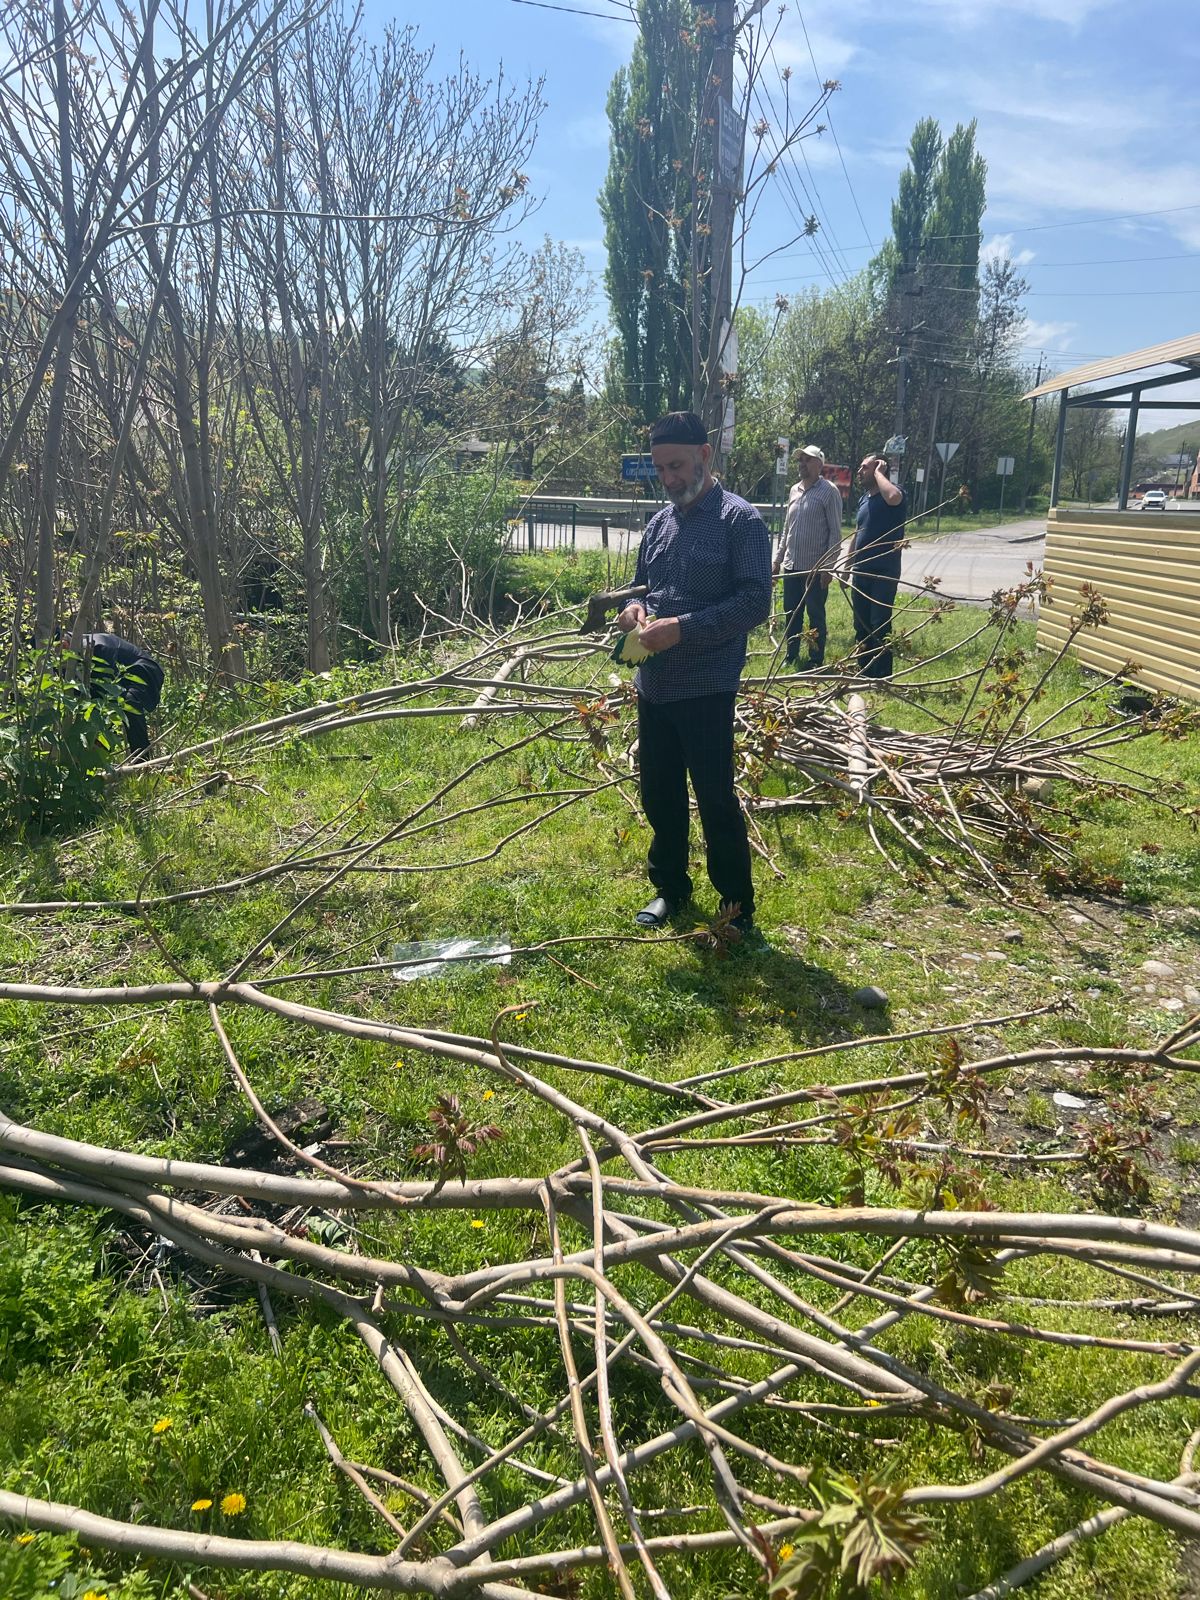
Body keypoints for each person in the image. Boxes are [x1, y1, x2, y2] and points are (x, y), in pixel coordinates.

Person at [616, 411, 771, 932]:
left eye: (677, 466)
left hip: (706, 686)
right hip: (654, 684)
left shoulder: (740, 521)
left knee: (714, 797)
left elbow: (754, 602)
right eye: (660, 469)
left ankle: (735, 907)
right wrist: (633, 613)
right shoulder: (659, 523)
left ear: (705, 456)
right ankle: (671, 890)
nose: (669, 479)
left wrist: (682, 628)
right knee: (659, 793)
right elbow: (643, 587)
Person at [772, 444, 843, 669]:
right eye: (800, 460)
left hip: (815, 568)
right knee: (792, 614)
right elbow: (786, 529)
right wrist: (777, 560)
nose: (802, 464)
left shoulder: (829, 491)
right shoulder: (794, 490)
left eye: (807, 460)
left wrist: (828, 566)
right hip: (792, 566)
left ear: (819, 464)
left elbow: (835, 532)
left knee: (815, 615)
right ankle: (791, 654)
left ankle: (815, 659)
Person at [849, 454, 905, 680]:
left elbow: (893, 497)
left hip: (884, 571)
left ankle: (881, 674)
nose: (859, 472)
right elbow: (858, 531)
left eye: (865, 467)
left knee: (879, 623)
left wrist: (881, 473)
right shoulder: (864, 499)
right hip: (860, 570)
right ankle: (864, 670)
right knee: (861, 623)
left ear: (878, 468)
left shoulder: (893, 493)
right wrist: (848, 563)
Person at [66, 631, 164, 759]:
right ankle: (94, 758)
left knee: (129, 702)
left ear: (66, 642)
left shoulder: (96, 648)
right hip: (115, 681)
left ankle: (142, 760)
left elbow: (102, 689)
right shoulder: (61, 662)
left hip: (142, 671)